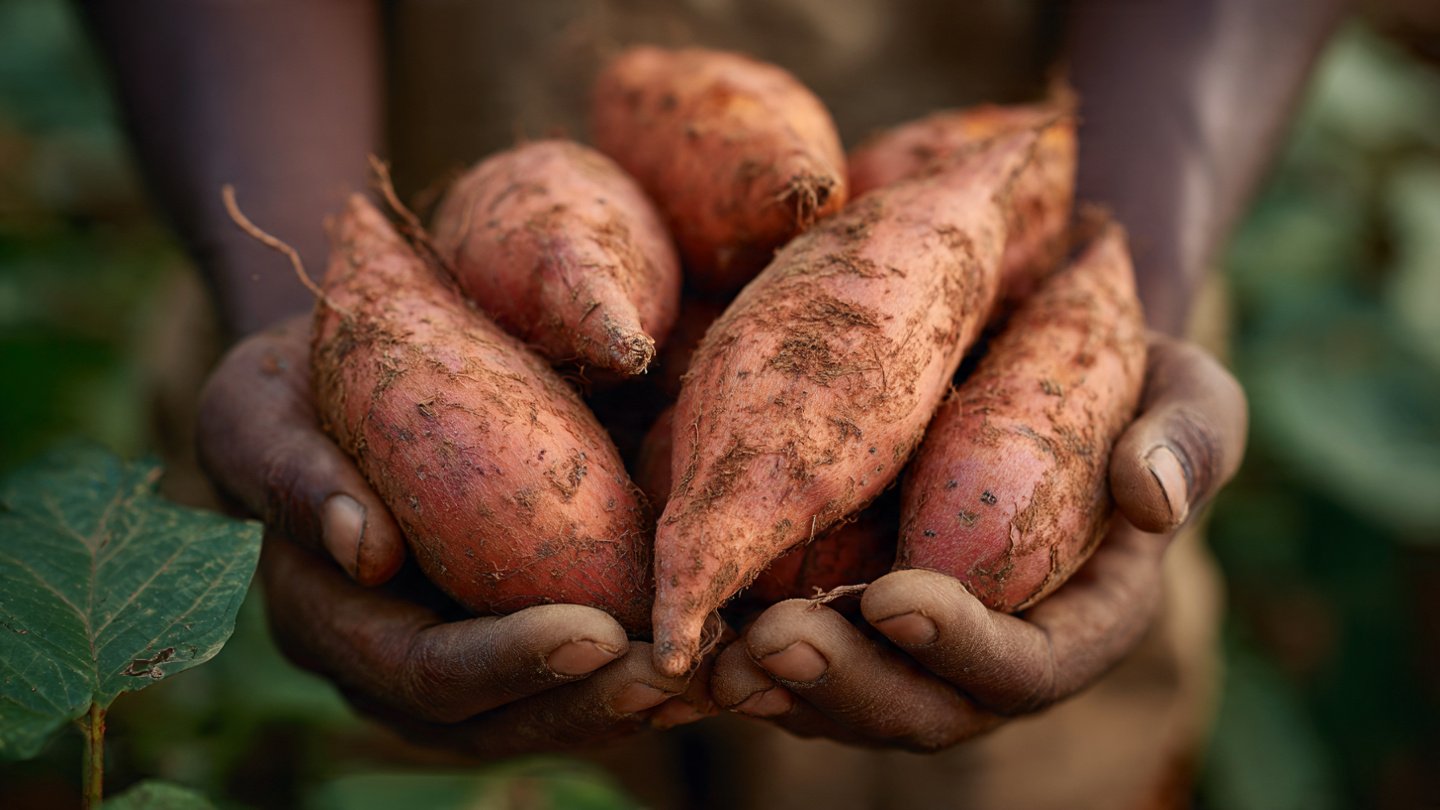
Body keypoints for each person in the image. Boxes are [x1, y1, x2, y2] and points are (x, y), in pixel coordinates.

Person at [79, 1, 1345, 806]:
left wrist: (1136, 282)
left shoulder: (954, 219)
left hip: (1067, 192)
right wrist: (285, 287)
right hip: (359, 208)